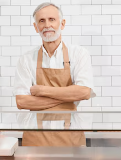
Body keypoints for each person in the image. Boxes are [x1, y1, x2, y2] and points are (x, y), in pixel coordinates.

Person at [13, 2, 95, 147]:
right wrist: (68, 97)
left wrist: (42, 91)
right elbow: (22, 102)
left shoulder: (79, 54)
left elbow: (84, 92)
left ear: (62, 24)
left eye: (52, 19)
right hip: (36, 142)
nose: (47, 25)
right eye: (41, 21)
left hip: (70, 141)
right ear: (35, 27)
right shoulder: (26, 59)